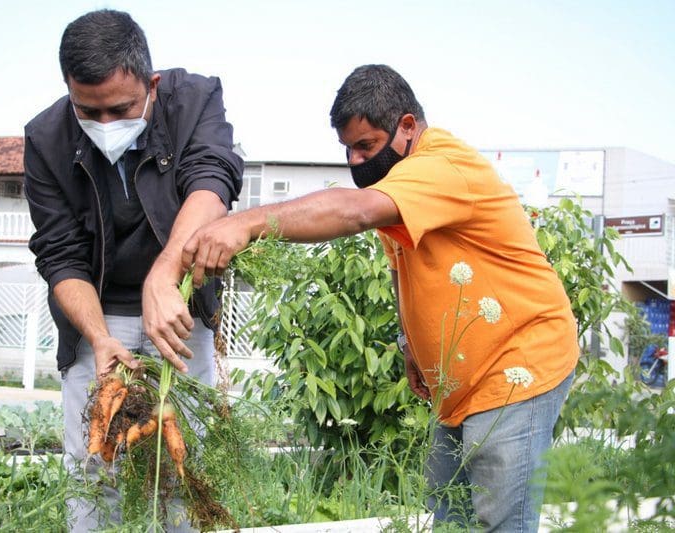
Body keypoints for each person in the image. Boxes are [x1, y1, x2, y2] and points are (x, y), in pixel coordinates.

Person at [172, 64, 579, 532]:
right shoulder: (402, 181)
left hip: (517, 367)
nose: (356, 160)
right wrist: (411, 346)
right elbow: (403, 269)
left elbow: (355, 209)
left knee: (499, 521)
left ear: (407, 126)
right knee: (447, 516)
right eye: (348, 149)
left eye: (366, 146)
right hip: (458, 384)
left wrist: (243, 223)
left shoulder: (443, 166)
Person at [23, 9, 243, 531]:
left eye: (119, 109)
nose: (104, 125)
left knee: (183, 466)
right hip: (96, 316)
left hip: (176, 313)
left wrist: (164, 273)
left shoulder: (193, 100)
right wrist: (99, 338)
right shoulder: (46, 137)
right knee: (95, 466)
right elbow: (60, 253)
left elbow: (212, 181)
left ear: (152, 83)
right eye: (87, 111)